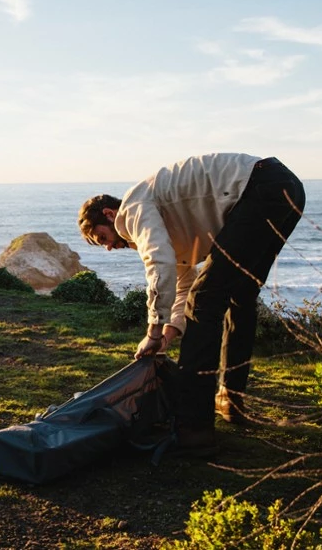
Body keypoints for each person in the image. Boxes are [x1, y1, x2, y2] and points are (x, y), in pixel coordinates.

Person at [78, 153, 305, 455]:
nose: (107, 247)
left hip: (259, 187)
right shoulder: (164, 223)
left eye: (101, 237)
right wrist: (168, 336)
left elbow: (159, 264)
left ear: (109, 214)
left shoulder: (132, 209)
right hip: (286, 189)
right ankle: (231, 401)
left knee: (205, 301)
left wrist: (153, 330)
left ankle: (194, 428)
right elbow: (182, 283)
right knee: (240, 296)